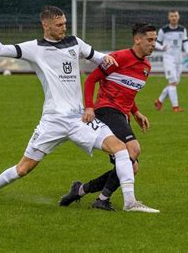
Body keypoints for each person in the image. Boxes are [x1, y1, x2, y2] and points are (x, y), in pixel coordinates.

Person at [0, 3, 159, 213]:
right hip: (52, 121)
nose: (64, 28)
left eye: (65, 24)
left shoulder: (74, 42)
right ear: (46, 25)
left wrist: (106, 58)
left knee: (121, 149)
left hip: (80, 120)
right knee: (23, 169)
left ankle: (130, 202)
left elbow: (99, 56)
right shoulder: (34, 48)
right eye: (59, 24)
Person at [59, 23, 157, 211]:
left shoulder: (146, 67)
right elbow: (91, 80)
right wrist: (89, 107)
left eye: (155, 40)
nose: (153, 44)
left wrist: (135, 112)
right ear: (138, 39)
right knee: (133, 149)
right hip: (106, 110)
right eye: (150, 40)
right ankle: (119, 202)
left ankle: (86, 192)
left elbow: (128, 92)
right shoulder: (117, 58)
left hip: (122, 115)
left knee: (132, 167)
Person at [154, 10, 188, 112]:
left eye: (175, 16)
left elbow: (185, 41)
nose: (174, 18)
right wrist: (161, 47)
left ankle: (159, 101)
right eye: (172, 16)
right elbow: (156, 42)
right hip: (168, 59)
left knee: (174, 83)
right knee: (173, 82)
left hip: (179, 59)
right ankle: (175, 107)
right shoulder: (163, 30)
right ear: (168, 17)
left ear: (178, 17)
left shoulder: (182, 29)